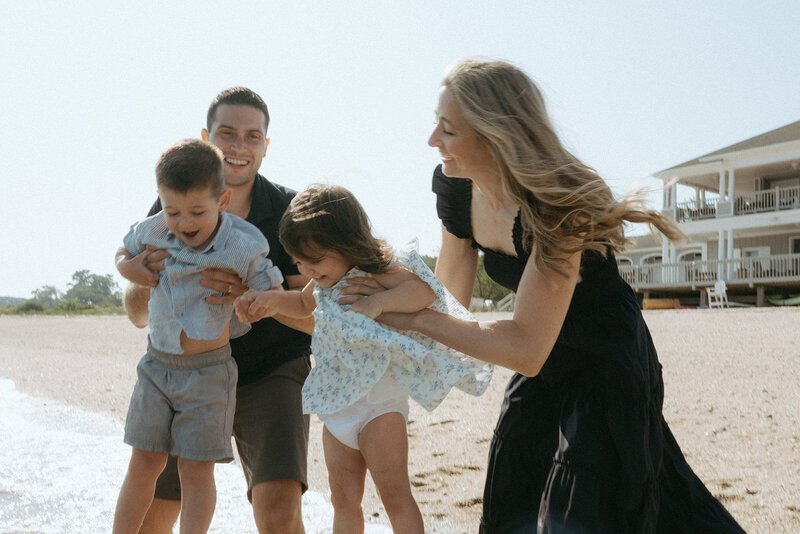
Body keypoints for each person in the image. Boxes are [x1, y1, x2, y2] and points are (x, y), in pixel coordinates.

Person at [341, 59, 746, 533]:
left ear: (495, 136)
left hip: (606, 367)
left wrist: (411, 320)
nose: (433, 140)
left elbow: (524, 346)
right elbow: (447, 299)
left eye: (447, 130)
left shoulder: (562, 205)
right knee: (514, 496)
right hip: (543, 368)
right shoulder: (455, 189)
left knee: (586, 515)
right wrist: (373, 298)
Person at [235, 184, 492, 533]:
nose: (307, 269)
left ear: (346, 243)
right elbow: (299, 304)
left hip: (378, 403)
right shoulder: (322, 282)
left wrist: (379, 302)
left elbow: (424, 289)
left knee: (394, 494)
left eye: (314, 259)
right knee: (344, 500)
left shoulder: (375, 269)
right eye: (299, 261)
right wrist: (265, 301)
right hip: (336, 404)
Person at [116, 87, 313, 534]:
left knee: (280, 510)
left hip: (271, 369)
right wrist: (144, 276)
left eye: (252, 136)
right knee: (154, 510)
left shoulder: (291, 214)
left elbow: (318, 314)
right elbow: (136, 311)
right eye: (227, 133)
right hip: (182, 370)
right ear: (207, 138)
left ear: (266, 145)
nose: (239, 147)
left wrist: (251, 296)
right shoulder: (172, 207)